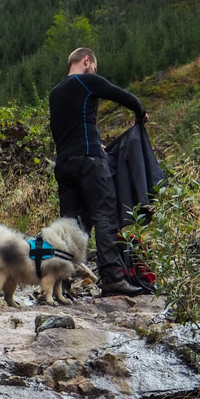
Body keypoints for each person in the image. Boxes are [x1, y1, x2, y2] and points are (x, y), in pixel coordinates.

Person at [49, 47, 146, 297]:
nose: (95, 71)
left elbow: (62, 130)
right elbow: (122, 96)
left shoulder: (55, 93)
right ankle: (113, 278)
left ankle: (62, 283)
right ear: (86, 60)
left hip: (64, 164)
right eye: (94, 66)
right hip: (90, 161)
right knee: (104, 214)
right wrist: (140, 113)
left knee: (70, 223)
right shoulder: (87, 81)